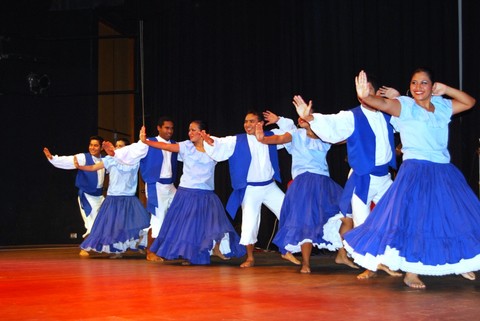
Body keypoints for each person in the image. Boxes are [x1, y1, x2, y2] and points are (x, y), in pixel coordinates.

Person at [343, 69, 480, 289]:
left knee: (454, 215)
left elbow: (469, 102)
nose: (418, 87)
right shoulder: (405, 106)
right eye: (414, 82)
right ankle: (412, 272)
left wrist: (446, 90)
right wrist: (366, 97)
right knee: (417, 220)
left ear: (432, 86)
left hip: (443, 170)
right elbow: (384, 105)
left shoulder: (443, 106)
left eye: (424, 82)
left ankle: (461, 261)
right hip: (416, 170)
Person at [292, 75, 402, 279]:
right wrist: (311, 118)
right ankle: (369, 265)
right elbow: (332, 125)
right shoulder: (352, 116)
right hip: (362, 178)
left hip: (384, 178)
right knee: (362, 223)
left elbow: (411, 117)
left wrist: (399, 98)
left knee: (396, 216)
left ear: (377, 94)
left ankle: (389, 260)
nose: (363, 94)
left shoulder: (389, 115)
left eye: (367, 89)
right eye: (359, 90)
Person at [202, 111, 300, 268]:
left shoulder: (271, 136)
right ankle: (250, 258)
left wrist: (279, 120)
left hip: (269, 186)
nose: (247, 124)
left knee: (289, 212)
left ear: (260, 123)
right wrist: (210, 141)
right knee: (250, 223)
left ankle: (286, 249)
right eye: (246, 121)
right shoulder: (237, 140)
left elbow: (292, 132)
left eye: (251, 121)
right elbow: (220, 144)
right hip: (250, 189)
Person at [141, 121, 246, 265]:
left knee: (214, 225)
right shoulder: (186, 146)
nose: (190, 133)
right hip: (187, 193)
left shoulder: (214, 148)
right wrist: (146, 141)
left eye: (193, 130)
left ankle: (215, 247)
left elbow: (233, 147)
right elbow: (166, 146)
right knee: (188, 227)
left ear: (202, 132)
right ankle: (189, 254)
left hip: (207, 194)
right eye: (189, 130)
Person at [255, 112, 348, 273]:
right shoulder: (296, 134)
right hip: (304, 183)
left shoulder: (324, 137)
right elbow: (279, 139)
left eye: (306, 116)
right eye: (300, 116)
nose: (301, 118)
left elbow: (342, 139)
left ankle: (342, 254)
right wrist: (263, 138)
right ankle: (306, 263)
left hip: (324, 183)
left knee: (347, 217)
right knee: (307, 222)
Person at [113, 117, 178, 262]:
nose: (170, 131)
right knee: (158, 218)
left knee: (181, 212)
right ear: (159, 128)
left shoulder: (174, 144)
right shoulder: (148, 143)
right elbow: (131, 151)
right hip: (155, 185)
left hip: (170, 185)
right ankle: (150, 251)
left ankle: (172, 248)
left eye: (172, 128)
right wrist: (114, 153)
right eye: (167, 128)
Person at [75, 138, 150, 258]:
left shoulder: (135, 160)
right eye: (117, 145)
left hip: (129, 198)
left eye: (121, 146)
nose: (118, 148)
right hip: (113, 199)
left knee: (141, 223)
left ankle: (138, 244)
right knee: (112, 227)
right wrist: (81, 167)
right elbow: (94, 167)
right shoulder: (110, 159)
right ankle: (115, 250)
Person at [43, 136, 105, 256]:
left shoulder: (105, 160)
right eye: (91, 144)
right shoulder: (83, 158)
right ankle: (85, 248)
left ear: (101, 147)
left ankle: (102, 247)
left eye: (96, 145)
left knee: (103, 221)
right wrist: (53, 159)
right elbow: (69, 160)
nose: (92, 147)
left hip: (99, 197)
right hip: (87, 196)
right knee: (92, 223)